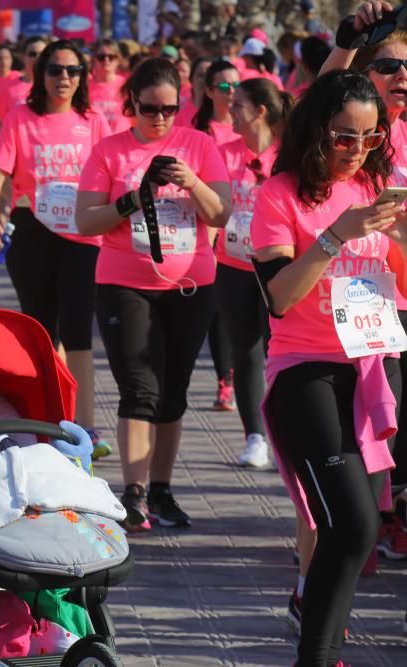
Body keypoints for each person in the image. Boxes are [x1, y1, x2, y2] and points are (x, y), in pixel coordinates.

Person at [252, 69, 407, 667]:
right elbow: (279, 297)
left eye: (370, 138)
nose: (358, 150)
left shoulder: (377, 184)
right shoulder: (280, 194)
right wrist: (335, 237)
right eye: (346, 137)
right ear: (317, 130)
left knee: (359, 536)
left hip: (375, 367)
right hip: (306, 371)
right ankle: (315, 656)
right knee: (352, 524)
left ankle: (325, 652)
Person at [76, 57, 232, 532]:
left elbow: (221, 214)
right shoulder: (110, 150)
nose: (160, 118)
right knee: (140, 390)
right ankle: (134, 491)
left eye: (170, 108)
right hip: (125, 283)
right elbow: (86, 221)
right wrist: (131, 199)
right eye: (149, 109)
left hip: (191, 285)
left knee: (174, 393)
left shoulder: (199, 145)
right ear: (132, 104)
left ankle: (162, 490)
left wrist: (192, 181)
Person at [0, 40, 113, 459]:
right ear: (41, 73)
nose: (64, 78)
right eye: (56, 70)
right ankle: (47, 422)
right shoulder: (21, 117)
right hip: (32, 230)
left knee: (78, 333)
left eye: (74, 71)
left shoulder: (93, 120)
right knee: (41, 332)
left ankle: (87, 428)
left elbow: (114, 173)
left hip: (83, 236)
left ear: (83, 76)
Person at [217, 78, 291, 469]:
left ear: (260, 110)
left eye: (238, 105)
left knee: (277, 352)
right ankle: (255, 437)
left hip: (277, 269)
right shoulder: (222, 153)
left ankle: (285, 433)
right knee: (243, 354)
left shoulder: (288, 155)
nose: (231, 110)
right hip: (232, 266)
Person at [194, 59, 243, 412]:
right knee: (219, 314)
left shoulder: (249, 128)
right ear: (209, 91)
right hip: (211, 229)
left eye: (236, 86)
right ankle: (225, 381)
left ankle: (249, 375)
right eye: (223, 86)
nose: (231, 93)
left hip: (249, 231)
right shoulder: (199, 132)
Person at [91, 38, 130, 132]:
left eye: (111, 56)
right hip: (95, 142)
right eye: (101, 57)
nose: (106, 60)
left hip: (121, 142)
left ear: (118, 59)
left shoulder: (127, 85)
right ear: (94, 59)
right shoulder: (85, 86)